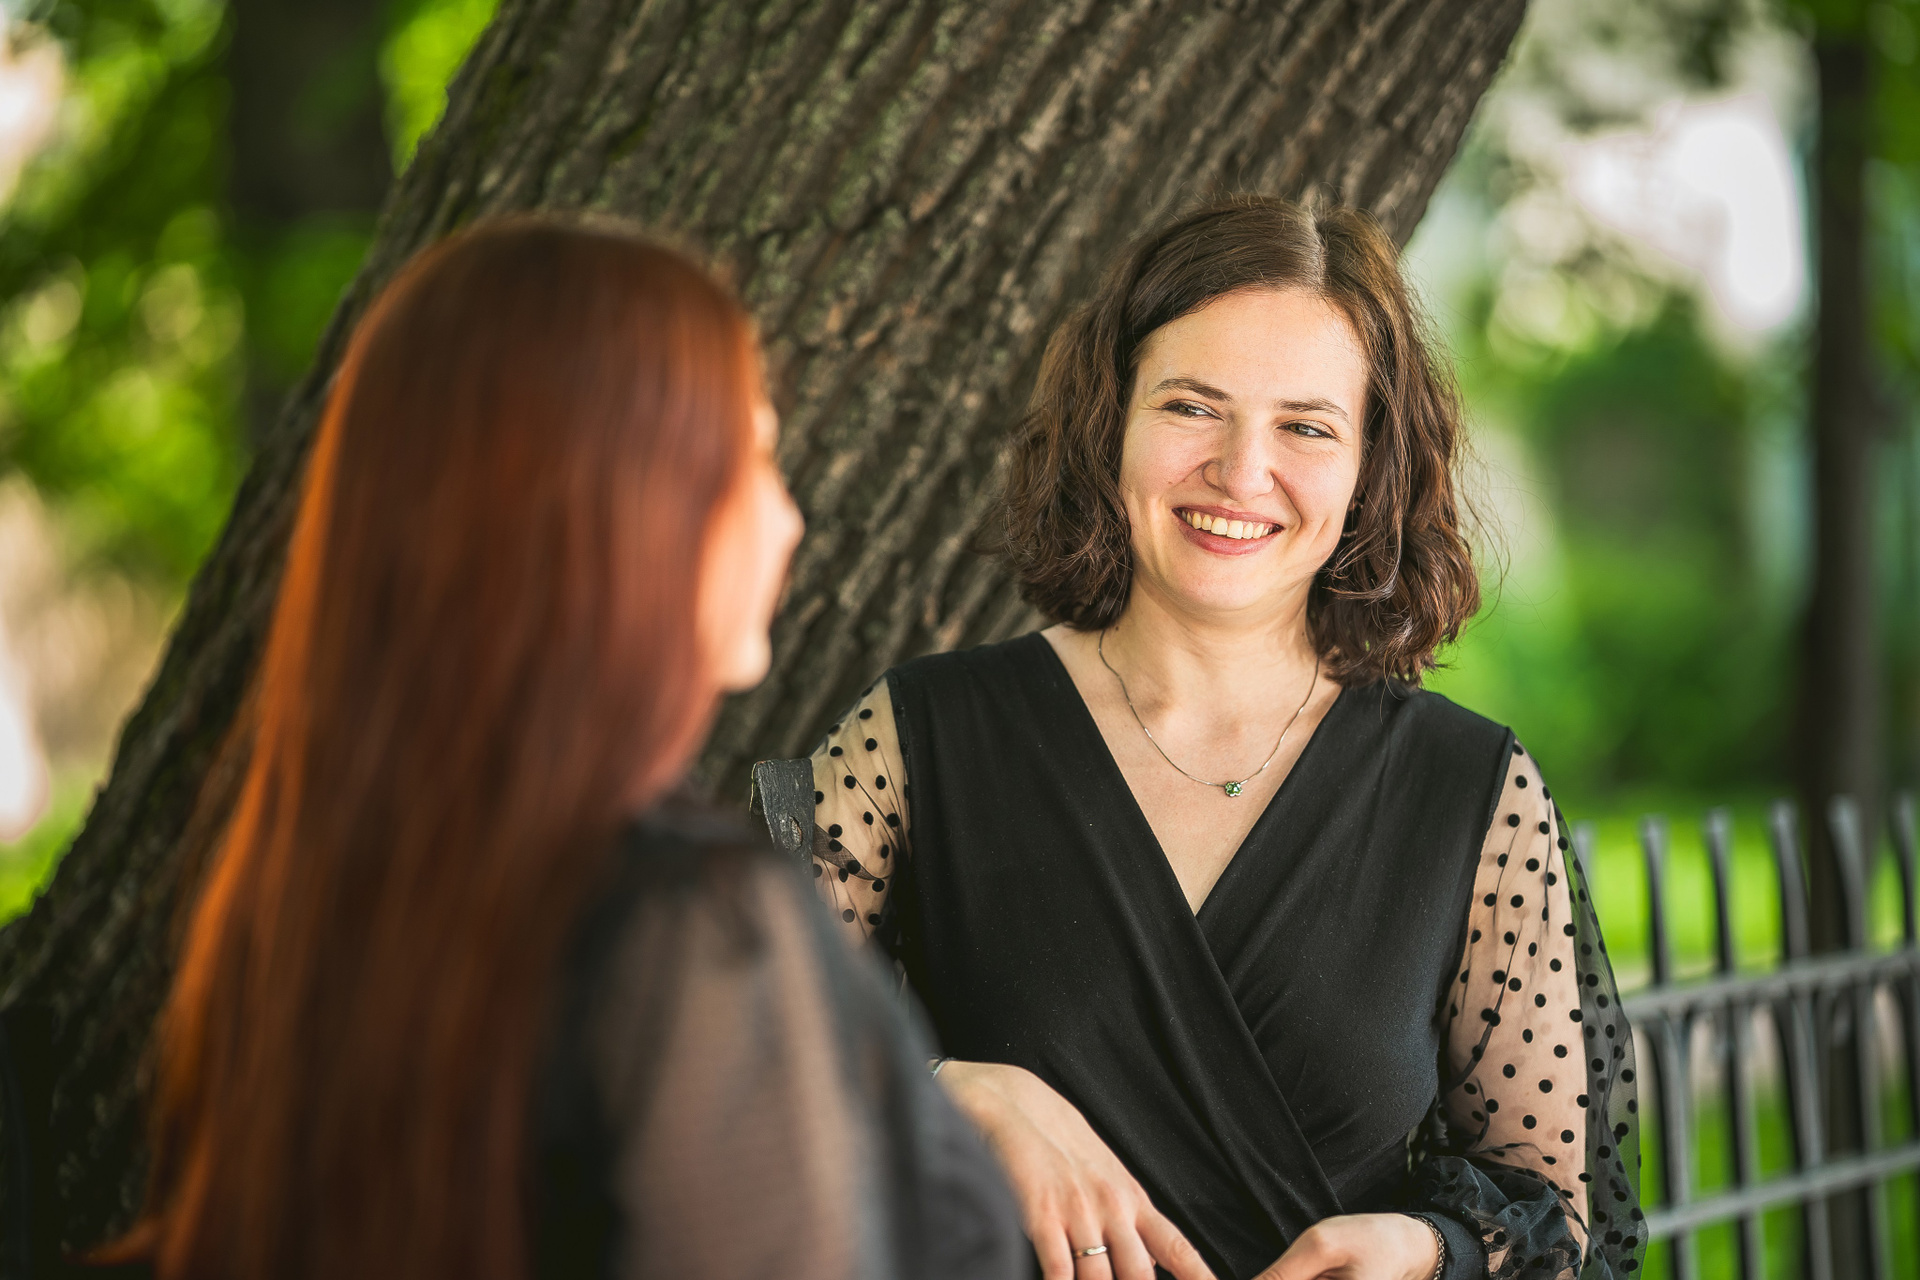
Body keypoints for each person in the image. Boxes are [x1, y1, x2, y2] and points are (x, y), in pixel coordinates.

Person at [104, 218, 1026, 1280]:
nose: (788, 520)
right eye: (752, 459)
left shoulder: (311, 893)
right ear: (623, 508)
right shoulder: (693, 927)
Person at [802, 197, 1642, 1280]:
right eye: (1193, 407)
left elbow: (1557, 1225)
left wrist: (1426, 1249)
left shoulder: (1472, 789)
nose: (1243, 473)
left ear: (1371, 465)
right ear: (1111, 421)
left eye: (1306, 426)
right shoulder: (919, 737)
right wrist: (947, 1090)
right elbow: (720, 1056)